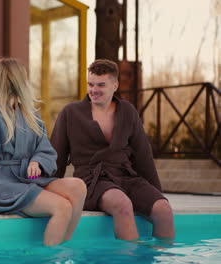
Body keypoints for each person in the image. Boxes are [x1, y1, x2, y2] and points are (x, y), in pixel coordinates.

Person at [0, 58, 87, 246]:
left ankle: (64, 244)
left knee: (78, 186)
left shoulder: (29, 113)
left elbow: (44, 148)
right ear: (17, 81)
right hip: (5, 184)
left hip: (29, 178)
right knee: (62, 207)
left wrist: (36, 161)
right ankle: (52, 258)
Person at [50, 59, 175, 241]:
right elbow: (57, 157)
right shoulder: (71, 113)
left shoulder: (127, 111)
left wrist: (153, 194)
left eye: (101, 85)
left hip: (126, 175)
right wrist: (48, 190)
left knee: (163, 208)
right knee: (122, 205)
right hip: (92, 181)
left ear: (115, 85)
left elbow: (143, 156)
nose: (94, 90)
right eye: (90, 84)